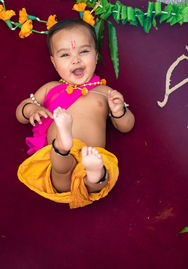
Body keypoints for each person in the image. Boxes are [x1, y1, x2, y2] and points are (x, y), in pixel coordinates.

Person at [16, 18, 135, 209]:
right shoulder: (51, 88)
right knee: (61, 171)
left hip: (91, 155)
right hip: (58, 158)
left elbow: (126, 126)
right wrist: (32, 109)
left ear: (96, 56)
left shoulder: (104, 93)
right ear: (54, 63)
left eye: (84, 51)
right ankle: (63, 145)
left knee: (100, 180)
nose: (75, 59)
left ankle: (94, 173)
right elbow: (20, 113)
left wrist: (119, 111)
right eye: (65, 55)